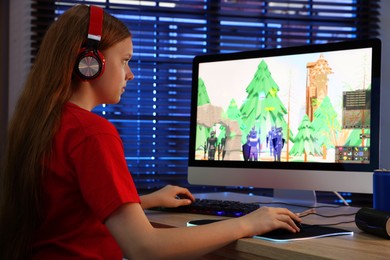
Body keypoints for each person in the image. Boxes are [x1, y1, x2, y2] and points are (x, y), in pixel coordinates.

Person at [0, 4, 301, 259]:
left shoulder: (44, 121)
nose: (130, 74)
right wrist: (249, 223)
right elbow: (143, 247)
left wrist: (145, 200)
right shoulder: (91, 133)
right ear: (89, 64)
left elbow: (68, 208)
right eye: (125, 61)